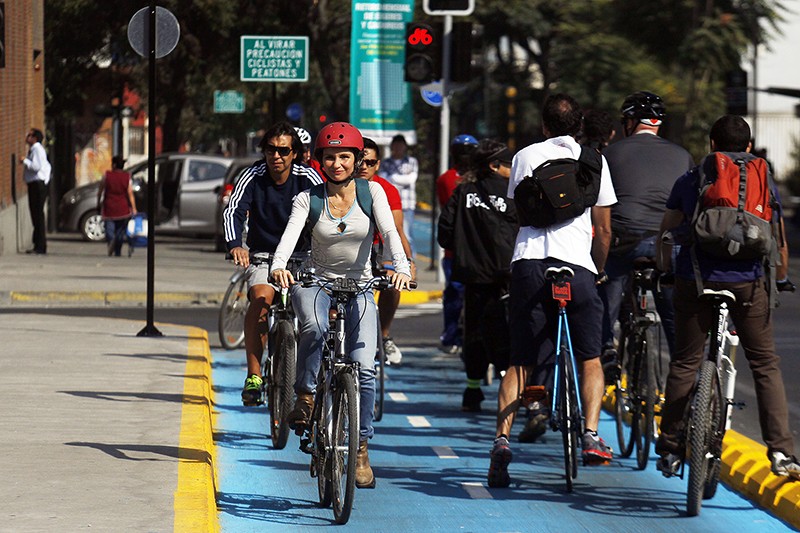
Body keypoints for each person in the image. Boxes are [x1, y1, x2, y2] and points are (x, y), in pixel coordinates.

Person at [655, 114, 800, 479]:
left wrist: (665, 272)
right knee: (765, 364)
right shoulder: (763, 178)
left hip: (697, 281)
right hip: (749, 285)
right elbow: (777, 238)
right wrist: (779, 279)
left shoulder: (692, 178)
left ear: (711, 145)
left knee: (686, 363)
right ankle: (782, 453)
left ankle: (671, 448)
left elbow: (666, 231)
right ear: (749, 147)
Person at [271, 122, 412, 489]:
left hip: (361, 286)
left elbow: (391, 234)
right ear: (320, 160)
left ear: (357, 159)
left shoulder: (373, 193)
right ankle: (305, 395)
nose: (337, 164)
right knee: (314, 328)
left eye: (345, 157)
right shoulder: (309, 199)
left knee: (365, 368)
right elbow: (288, 237)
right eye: (330, 157)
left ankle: (360, 447)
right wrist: (278, 266)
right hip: (316, 281)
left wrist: (400, 267)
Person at [488, 93, 617, 488]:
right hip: (577, 265)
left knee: (521, 361)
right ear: (578, 125)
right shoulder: (595, 160)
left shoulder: (525, 156)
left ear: (543, 125)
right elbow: (606, 228)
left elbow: (517, 211)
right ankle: (592, 434)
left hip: (530, 264)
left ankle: (502, 441)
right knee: (591, 357)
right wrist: (598, 268)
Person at [223, 121, 324, 406]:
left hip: (302, 259)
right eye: (270, 149)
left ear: (295, 153)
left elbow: (328, 211)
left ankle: (313, 377)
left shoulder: (309, 177)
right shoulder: (252, 175)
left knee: (314, 317)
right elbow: (233, 211)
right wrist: (235, 246)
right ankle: (254, 377)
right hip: (264, 257)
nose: (276, 156)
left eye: (283, 151)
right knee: (260, 302)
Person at [598, 92, 694, 376]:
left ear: (629, 122)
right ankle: (684, 371)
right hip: (668, 244)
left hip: (624, 240)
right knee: (672, 310)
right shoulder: (683, 155)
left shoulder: (610, 154)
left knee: (608, 282)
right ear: (657, 124)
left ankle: (606, 349)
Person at [437, 139, 517, 412]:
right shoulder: (513, 192)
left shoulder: (463, 191)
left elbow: (444, 234)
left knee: (475, 332)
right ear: (494, 165)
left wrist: (464, 247)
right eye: (507, 164)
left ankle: (472, 390)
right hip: (507, 275)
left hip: (472, 276)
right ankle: (512, 389)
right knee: (507, 332)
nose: (511, 169)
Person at [358, 137, 417, 365]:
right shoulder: (338, 184)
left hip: (378, 248)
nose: (364, 167)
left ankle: (383, 335)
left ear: (378, 165)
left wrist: (408, 261)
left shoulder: (387, 189)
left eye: (370, 163)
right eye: (360, 161)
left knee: (394, 283)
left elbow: (397, 230)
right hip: (346, 249)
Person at [436, 134, 478, 354]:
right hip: (456, 249)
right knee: (454, 292)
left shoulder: (480, 177)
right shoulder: (447, 179)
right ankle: (451, 334)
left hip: (478, 249)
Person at [381, 134, 419, 258]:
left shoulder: (412, 161)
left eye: (401, 145)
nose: (398, 148)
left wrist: (393, 178)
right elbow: (383, 180)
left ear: (405, 147)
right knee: (390, 235)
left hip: (407, 205)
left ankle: (410, 264)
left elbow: (411, 179)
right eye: (396, 145)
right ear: (392, 146)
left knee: (407, 236)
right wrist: (400, 179)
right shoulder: (385, 163)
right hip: (389, 205)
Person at [20, 128, 51, 255]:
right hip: (36, 184)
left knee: (37, 215)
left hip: (38, 185)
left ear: (35, 138)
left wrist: (25, 161)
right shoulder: (36, 149)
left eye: (30, 135)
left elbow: (37, 167)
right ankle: (37, 243)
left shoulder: (37, 149)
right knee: (36, 215)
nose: (27, 137)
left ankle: (40, 246)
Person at [97, 155, 137, 257]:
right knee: (120, 231)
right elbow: (130, 193)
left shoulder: (107, 175)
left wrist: (98, 202)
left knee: (109, 229)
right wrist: (134, 208)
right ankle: (117, 251)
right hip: (123, 208)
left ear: (114, 165)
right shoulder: (127, 177)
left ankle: (111, 241)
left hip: (109, 206)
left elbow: (100, 190)